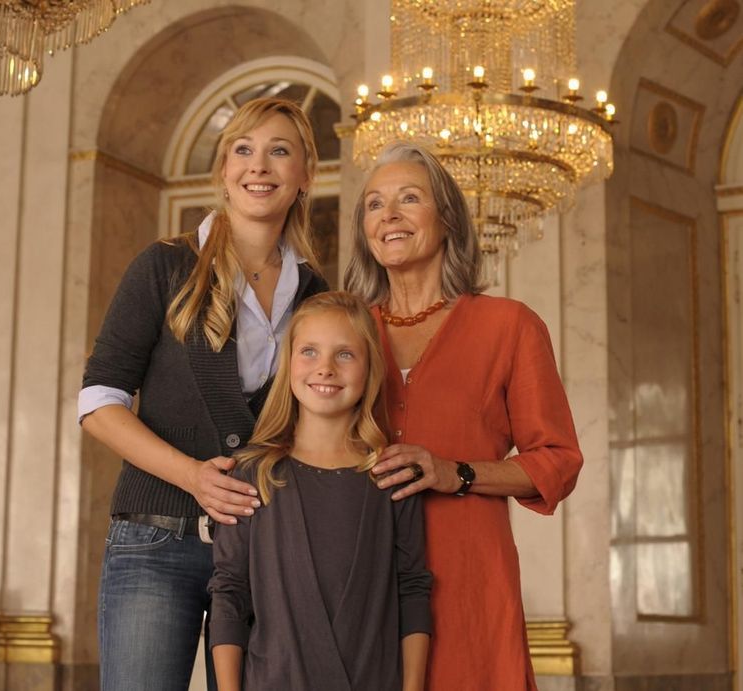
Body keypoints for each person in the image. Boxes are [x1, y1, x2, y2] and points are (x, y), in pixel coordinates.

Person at [79, 97, 328, 691]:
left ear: (304, 176)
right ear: (223, 170)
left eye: (279, 151)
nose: (258, 165)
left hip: (263, 547)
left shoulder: (314, 292)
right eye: (243, 150)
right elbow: (98, 402)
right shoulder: (164, 266)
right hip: (154, 536)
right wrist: (192, 476)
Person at [344, 141, 584, 690]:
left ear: (447, 217)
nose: (389, 215)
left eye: (409, 198)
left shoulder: (510, 326)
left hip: (469, 576)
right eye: (375, 204)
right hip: (359, 572)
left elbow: (558, 460)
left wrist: (458, 472)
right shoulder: (343, 329)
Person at [208, 291, 432, 691]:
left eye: (344, 354)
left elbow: (412, 590)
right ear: (288, 362)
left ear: (370, 369)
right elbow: (230, 593)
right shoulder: (253, 475)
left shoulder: (393, 476)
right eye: (309, 351)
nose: (325, 368)